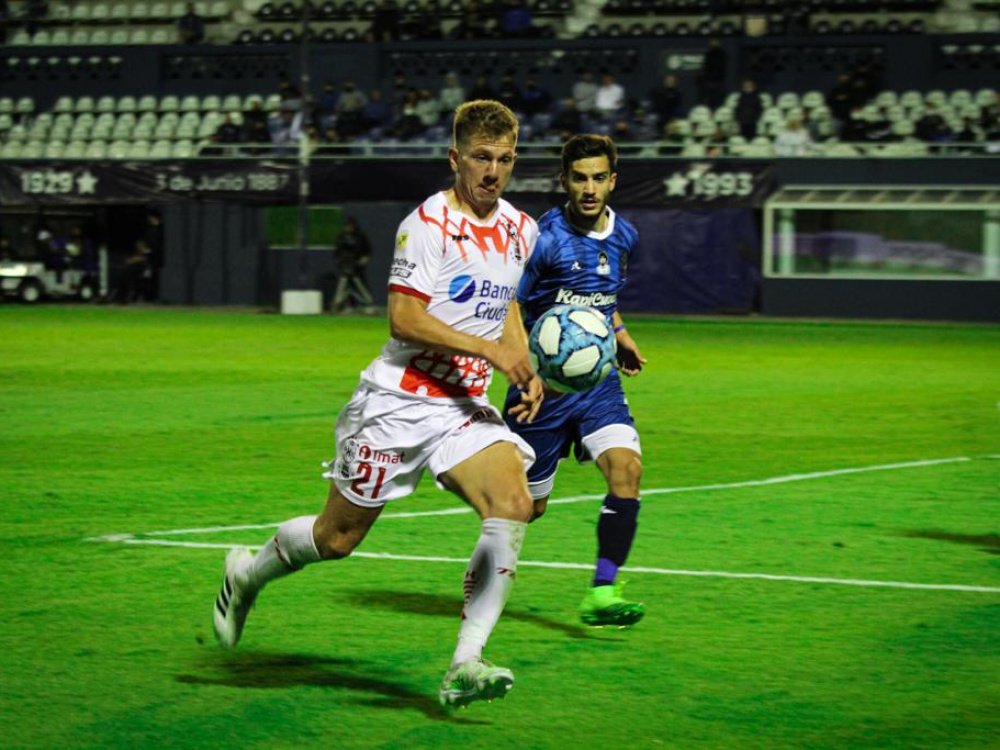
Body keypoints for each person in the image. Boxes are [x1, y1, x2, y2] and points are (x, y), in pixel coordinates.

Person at [212, 100, 545, 709]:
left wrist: (520, 361)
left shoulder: (523, 229)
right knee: (337, 539)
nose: (492, 171)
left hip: (462, 406)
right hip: (397, 402)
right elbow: (404, 316)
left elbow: (509, 302)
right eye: (480, 158)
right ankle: (247, 572)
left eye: (503, 160)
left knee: (514, 503)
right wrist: (487, 349)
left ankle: (464, 664)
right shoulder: (427, 224)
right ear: (455, 158)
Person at [503, 134, 647, 628]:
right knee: (526, 507)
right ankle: (484, 582)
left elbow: (601, 298)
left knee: (626, 470)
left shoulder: (625, 235)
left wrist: (620, 333)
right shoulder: (543, 238)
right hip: (540, 390)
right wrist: (525, 369)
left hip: (597, 383)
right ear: (563, 180)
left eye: (598, 178)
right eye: (579, 178)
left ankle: (602, 592)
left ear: (612, 180)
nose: (589, 188)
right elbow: (511, 303)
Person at [331, 217, 375, 313]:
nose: (348, 228)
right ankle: (337, 304)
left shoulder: (360, 237)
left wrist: (362, 261)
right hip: (345, 267)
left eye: (350, 226)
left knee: (360, 285)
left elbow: (367, 251)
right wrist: (339, 261)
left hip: (357, 268)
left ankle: (368, 304)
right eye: (347, 226)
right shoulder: (342, 237)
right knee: (342, 284)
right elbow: (337, 251)